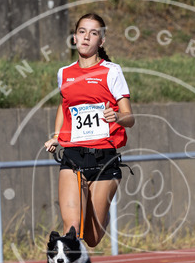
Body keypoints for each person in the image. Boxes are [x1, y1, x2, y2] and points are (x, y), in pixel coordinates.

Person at [44, 13, 135, 248]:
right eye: (82, 31)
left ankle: (100, 213)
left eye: (93, 33)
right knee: (72, 229)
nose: (86, 37)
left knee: (92, 238)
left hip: (104, 159)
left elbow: (130, 117)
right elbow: (64, 105)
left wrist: (117, 116)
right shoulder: (64, 73)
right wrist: (56, 136)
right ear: (74, 37)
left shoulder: (111, 71)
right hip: (73, 157)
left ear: (101, 41)